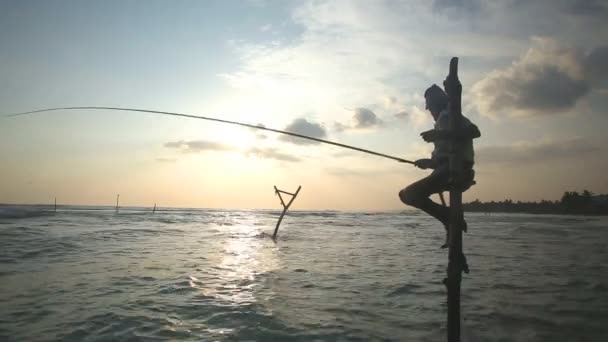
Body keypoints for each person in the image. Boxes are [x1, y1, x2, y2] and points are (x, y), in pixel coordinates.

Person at [399, 84, 480, 248]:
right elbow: (445, 154)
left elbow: (475, 131)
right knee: (405, 194)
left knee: (410, 193)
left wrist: (440, 134)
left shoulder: (449, 116)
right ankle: (449, 220)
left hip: (455, 170)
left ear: (436, 104)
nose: (430, 111)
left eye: (430, 107)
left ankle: (449, 216)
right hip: (446, 169)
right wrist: (429, 163)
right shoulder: (443, 120)